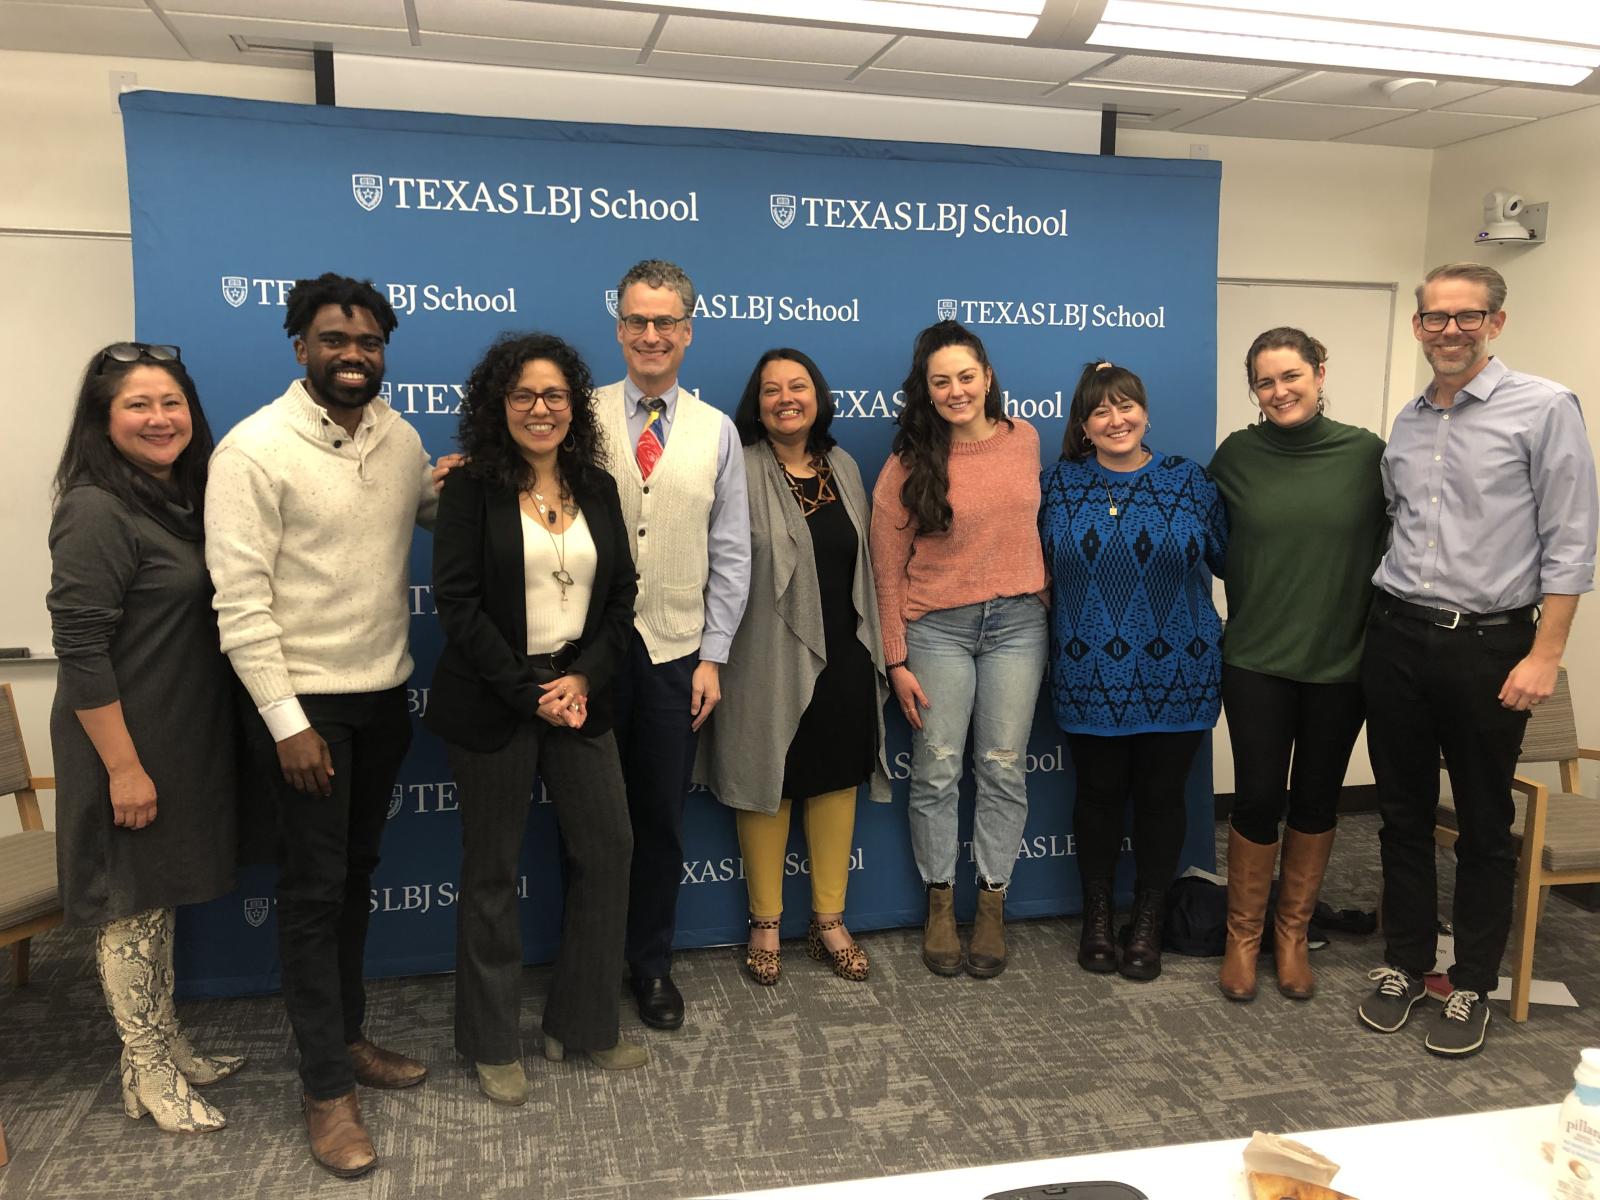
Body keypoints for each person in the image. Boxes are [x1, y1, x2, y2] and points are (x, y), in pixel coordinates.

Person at [205, 273, 460, 1176]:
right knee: (313, 897)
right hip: (302, 711)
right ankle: (325, 1091)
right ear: (299, 346)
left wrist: (461, 487)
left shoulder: (396, 437)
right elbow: (239, 606)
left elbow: (415, 516)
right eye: (333, 341)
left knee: (354, 879)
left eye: (369, 343)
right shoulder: (252, 452)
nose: (354, 356)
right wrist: (286, 722)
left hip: (383, 698)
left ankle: (345, 1039)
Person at [1358, 263, 1597, 1058]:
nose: (1449, 331)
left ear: (1495, 322)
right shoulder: (1412, 417)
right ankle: (1406, 963)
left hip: (1491, 645)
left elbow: (1572, 544)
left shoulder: (1546, 407)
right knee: (1400, 811)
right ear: (1418, 326)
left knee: (1487, 822)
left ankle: (1472, 983)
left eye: (1466, 317)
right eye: (1434, 319)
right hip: (1395, 635)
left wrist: (1545, 654)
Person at [426, 333, 641, 1105]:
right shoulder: (469, 488)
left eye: (554, 396)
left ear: (572, 406)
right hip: (494, 698)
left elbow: (620, 599)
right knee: (491, 870)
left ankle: (581, 1024)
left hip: (581, 691)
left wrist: (580, 676)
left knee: (609, 850)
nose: (540, 409)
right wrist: (530, 691)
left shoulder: (599, 486)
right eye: (523, 396)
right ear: (498, 405)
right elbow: (458, 604)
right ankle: (491, 1042)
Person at [47, 342, 242, 1134]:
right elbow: (80, 647)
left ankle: (164, 1048)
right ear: (103, 420)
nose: (160, 420)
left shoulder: (180, 499)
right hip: (122, 744)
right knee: (131, 910)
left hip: (178, 733)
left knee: (157, 906)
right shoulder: (94, 507)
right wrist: (123, 769)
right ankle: (150, 1073)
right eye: (138, 405)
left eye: (171, 403)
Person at [697, 349, 891, 985]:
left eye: (799, 385)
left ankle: (829, 921)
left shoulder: (845, 466)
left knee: (836, 779)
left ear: (818, 396)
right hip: (760, 653)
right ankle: (766, 923)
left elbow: (865, 566)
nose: (786, 397)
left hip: (845, 652)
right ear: (756, 403)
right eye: (772, 388)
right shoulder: (737, 468)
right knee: (767, 778)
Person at [592, 259, 751, 1030]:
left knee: (658, 823)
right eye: (636, 321)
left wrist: (712, 654)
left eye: (665, 322)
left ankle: (648, 965)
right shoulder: (577, 416)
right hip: (585, 659)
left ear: (688, 330)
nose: (650, 335)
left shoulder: (717, 431)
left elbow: (732, 553)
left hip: (673, 658)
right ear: (618, 326)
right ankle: (588, 967)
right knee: (590, 823)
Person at [1208, 328, 1386, 1003]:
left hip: (1342, 662)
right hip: (1255, 657)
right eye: (1264, 381)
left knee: (1316, 798)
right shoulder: (1236, 456)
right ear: (1253, 390)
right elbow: (1210, 542)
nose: (1279, 391)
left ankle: (1291, 933)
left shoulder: (1366, 454)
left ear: (1318, 372)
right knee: (1256, 798)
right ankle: (1243, 938)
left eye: (1291, 376)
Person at [869, 320, 1047, 980]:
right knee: (939, 770)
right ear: (926, 388)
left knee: (1003, 768)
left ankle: (993, 905)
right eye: (941, 381)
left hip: (1018, 628)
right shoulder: (909, 462)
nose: (955, 390)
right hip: (936, 631)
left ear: (988, 377)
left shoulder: (1024, 439)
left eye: (966, 377)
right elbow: (885, 568)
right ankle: (941, 904)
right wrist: (896, 659)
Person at [1039, 360, 1227, 983]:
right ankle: (1097, 916)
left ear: (1145, 412)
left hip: (1181, 669)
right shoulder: (1058, 485)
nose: (1115, 420)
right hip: (1087, 669)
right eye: (1100, 411)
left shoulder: (1190, 483)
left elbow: (1234, 560)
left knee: (1160, 799)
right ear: (1083, 425)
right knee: (1095, 797)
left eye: (1125, 406)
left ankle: (1146, 920)